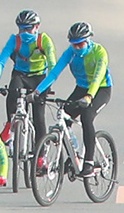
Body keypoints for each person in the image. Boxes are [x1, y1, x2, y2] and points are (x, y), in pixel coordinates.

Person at [36, 20, 117, 177]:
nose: (77, 48)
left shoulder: (100, 52)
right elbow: (54, 73)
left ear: (88, 40)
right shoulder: (70, 53)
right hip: (81, 88)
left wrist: (89, 97)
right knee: (64, 118)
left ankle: (88, 162)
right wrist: (38, 91)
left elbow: (97, 78)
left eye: (80, 44)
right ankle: (75, 156)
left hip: (100, 89)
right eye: (74, 44)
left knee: (87, 117)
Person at [0, 10, 59, 164]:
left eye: (29, 29)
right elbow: (1, 61)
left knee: (39, 117)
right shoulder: (14, 40)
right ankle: (10, 126)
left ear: (37, 27)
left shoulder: (44, 40)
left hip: (39, 78)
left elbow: (53, 66)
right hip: (20, 75)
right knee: (12, 93)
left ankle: (40, 155)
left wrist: (46, 86)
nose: (25, 33)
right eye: (21, 29)